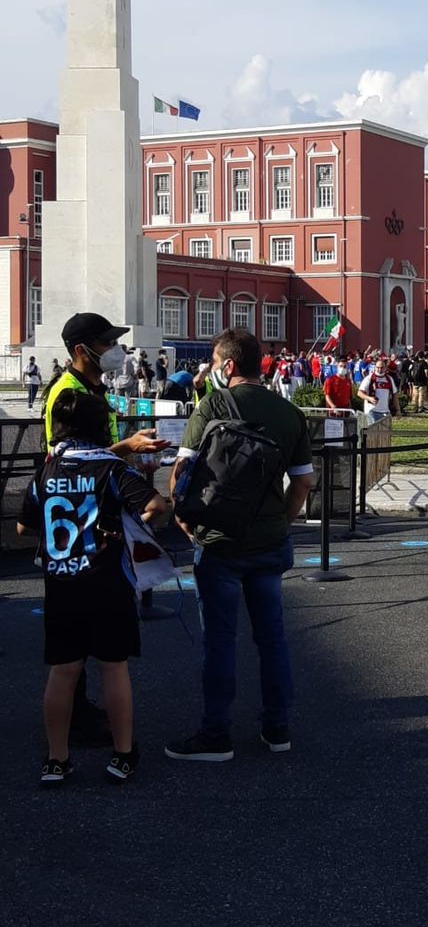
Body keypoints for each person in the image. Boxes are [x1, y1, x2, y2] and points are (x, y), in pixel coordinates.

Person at [165, 328, 315, 762]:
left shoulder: (212, 405)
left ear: (228, 365)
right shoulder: (289, 412)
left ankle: (216, 734)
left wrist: (183, 514)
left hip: (219, 540)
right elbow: (303, 481)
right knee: (273, 638)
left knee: (220, 640)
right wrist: (280, 520)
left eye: (215, 361)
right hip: (268, 539)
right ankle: (277, 726)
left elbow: (182, 473)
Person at [19, 387, 169, 786]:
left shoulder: (47, 469)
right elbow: (157, 505)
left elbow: (23, 525)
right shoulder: (112, 469)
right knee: (113, 667)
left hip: (61, 583)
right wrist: (122, 529)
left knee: (63, 671)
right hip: (105, 581)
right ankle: (122, 754)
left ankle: (56, 758)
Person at [42, 313, 168, 745]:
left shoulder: (94, 388)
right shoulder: (66, 392)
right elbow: (62, 460)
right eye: (107, 342)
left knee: (88, 648)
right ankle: (76, 723)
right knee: (82, 654)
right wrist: (124, 451)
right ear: (82, 350)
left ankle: (78, 719)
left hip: (98, 523)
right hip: (81, 536)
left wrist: (133, 458)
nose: (115, 349)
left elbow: (95, 457)